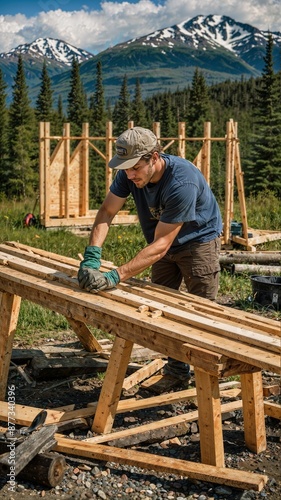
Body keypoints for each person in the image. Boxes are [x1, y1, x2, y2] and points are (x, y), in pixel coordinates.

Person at [78, 126, 222, 382]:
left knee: (201, 316)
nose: (130, 174)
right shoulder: (128, 174)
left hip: (197, 244)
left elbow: (162, 244)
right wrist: (92, 256)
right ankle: (177, 372)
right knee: (161, 309)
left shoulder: (182, 182)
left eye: (135, 167)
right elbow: (107, 212)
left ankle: (205, 383)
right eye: (125, 168)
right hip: (161, 244)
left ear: (154, 157)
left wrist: (114, 276)